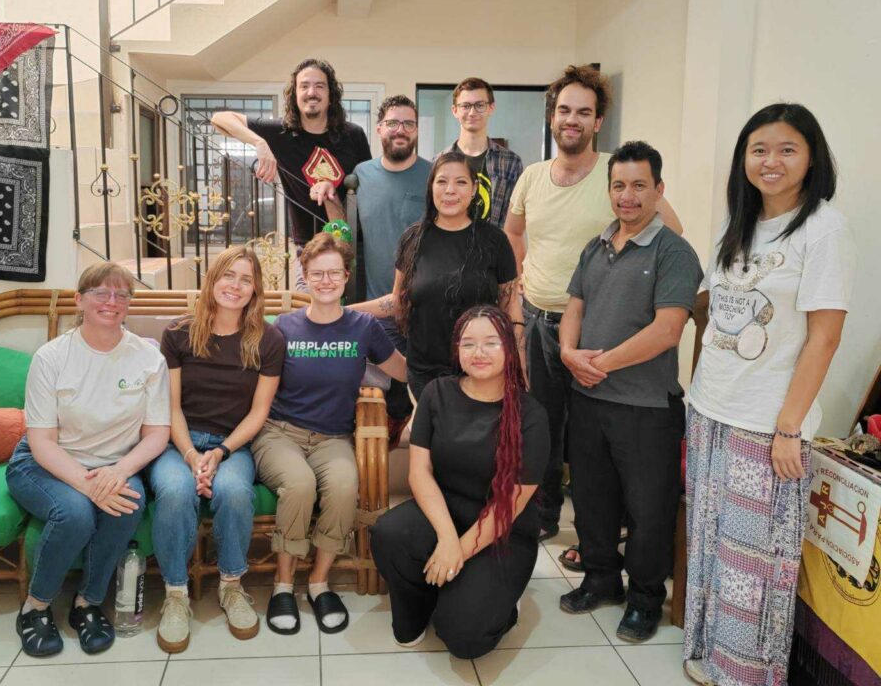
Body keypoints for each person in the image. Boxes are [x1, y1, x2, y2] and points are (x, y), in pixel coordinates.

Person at [682, 104, 853, 686]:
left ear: (811, 158)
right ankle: (708, 655)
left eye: (787, 149)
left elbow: (825, 337)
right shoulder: (741, 222)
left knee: (753, 566)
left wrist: (789, 426)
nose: (771, 161)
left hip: (768, 423)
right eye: (759, 149)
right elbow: (713, 310)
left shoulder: (823, 229)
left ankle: (748, 675)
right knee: (709, 541)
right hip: (711, 408)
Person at [504, 64, 684, 558]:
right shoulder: (532, 177)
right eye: (564, 110)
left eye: (584, 112)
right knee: (540, 425)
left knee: (591, 442)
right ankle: (540, 518)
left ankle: (596, 537)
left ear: (598, 121)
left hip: (596, 334)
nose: (572, 120)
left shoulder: (617, 176)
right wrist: (518, 301)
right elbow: (514, 235)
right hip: (539, 322)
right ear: (552, 116)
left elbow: (670, 233)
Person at [557, 141, 702, 643]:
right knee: (592, 498)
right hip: (589, 399)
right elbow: (573, 304)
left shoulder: (674, 252)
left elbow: (667, 330)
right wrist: (568, 353)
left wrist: (599, 363)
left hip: (646, 406)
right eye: (619, 185)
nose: (628, 196)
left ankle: (644, 598)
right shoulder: (595, 247)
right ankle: (600, 579)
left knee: (648, 509)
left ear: (659, 191)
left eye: (640, 185)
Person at [7, 262, 170, 658]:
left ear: (129, 305)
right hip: (46, 463)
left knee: (126, 503)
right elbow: (42, 441)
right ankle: (36, 606)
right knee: (76, 513)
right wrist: (88, 484)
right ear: (79, 300)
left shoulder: (149, 359)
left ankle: (88, 603)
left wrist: (118, 472)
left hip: (115, 463)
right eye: (100, 293)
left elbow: (157, 434)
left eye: (121, 295)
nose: (111, 302)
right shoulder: (51, 358)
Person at [370, 305, 549, 659]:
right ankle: (422, 604)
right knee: (389, 533)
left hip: (502, 530)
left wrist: (458, 551)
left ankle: (494, 605)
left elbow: (508, 506)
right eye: (468, 344)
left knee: (464, 638)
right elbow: (418, 472)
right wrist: (448, 538)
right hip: (445, 511)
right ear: (457, 350)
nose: (478, 353)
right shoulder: (437, 394)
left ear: (509, 349)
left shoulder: (531, 416)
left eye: (490, 343)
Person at [253, 232, 406, 635]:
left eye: (333, 273)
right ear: (304, 276)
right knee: (300, 485)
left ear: (345, 277)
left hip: (333, 437)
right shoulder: (282, 327)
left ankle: (319, 582)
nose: (325, 281)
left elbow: (404, 371)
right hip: (279, 434)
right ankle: (283, 584)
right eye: (316, 273)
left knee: (342, 485)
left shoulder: (364, 327)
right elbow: (252, 382)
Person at [147, 246, 285, 648]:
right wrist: (191, 455)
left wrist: (220, 452)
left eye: (246, 279)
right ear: (212, 279)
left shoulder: (269, 339)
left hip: (234, 444)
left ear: (256, 289)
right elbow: (169, 407)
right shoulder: (177, 333)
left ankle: (231, 584)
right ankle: (175, 594)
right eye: (229, 276)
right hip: (179, 442)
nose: (235, 286)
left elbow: (259, 412)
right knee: (174, 490)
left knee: (234, 491)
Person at [352, 150, 522, 399]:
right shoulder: (412, 239)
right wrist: (344, 311)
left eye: (461, 182)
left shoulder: (494, 240)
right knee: (429, 438)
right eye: (442, 181)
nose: (450, 190)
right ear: (431, 188)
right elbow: (398, 301)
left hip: (480, 371)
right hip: (424, 375)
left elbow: (511, 310)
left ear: (474, 189)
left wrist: (519, 366)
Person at [211, 58, 371, 290]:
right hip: (308, 248)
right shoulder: (281, 133)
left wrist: (333, 192)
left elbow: (367, 189)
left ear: (331, 94)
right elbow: (220, 119)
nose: (311, 92)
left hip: (353, 246)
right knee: (307, 314)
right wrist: (259, 142)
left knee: (353, 318)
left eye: (320, 86)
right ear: (294, 94)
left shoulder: (353, 135)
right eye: (304, 86)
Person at [348, 95, 431, 441]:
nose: (401, 130)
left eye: (408, 123)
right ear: (379, 129)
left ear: (416, 130)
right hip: (378, 307)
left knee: (424, 392)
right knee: (381, 399)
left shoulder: (432, 175)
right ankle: (383, 474)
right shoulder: (361, 176)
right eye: (393, 123)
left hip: (426, 307)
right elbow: (348, 231)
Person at [435, 77, 523, 227]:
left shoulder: (510, 162)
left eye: (479, 105)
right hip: (450, 247)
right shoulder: (438, 161)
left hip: (494, 248)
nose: (472, 112)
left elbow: (514, 221)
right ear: (455, 110)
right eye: (466, 106)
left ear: (491, 108)